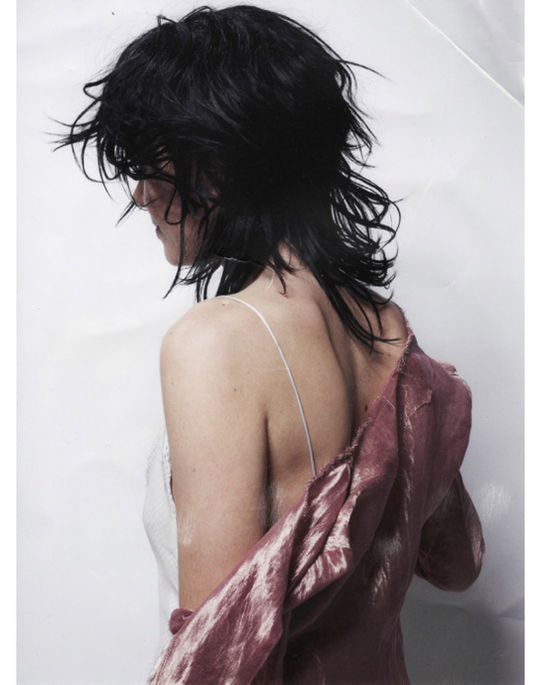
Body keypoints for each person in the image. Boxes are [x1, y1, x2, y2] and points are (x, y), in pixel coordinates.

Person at [56, 5, 485, 683]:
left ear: (213, 171)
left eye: (150, 165)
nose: (139, 195)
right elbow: (459, 562)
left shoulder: (216, 342)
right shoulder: (395, 338)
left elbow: (219, 664)